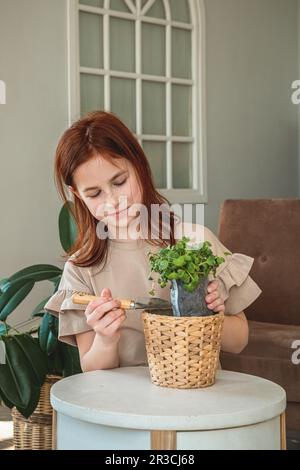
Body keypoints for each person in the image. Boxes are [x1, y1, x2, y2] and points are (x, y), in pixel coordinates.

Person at [44, 111, 262, 372]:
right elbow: (92, 369)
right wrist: (105, 338)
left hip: (194, 397)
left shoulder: (195, 243)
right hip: (124, 406)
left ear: (139, 165)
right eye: (94, 194)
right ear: (77, 195)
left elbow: (239, 341)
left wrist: (207, 314)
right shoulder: (81, 268)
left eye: (120, 182)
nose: (113, 201)